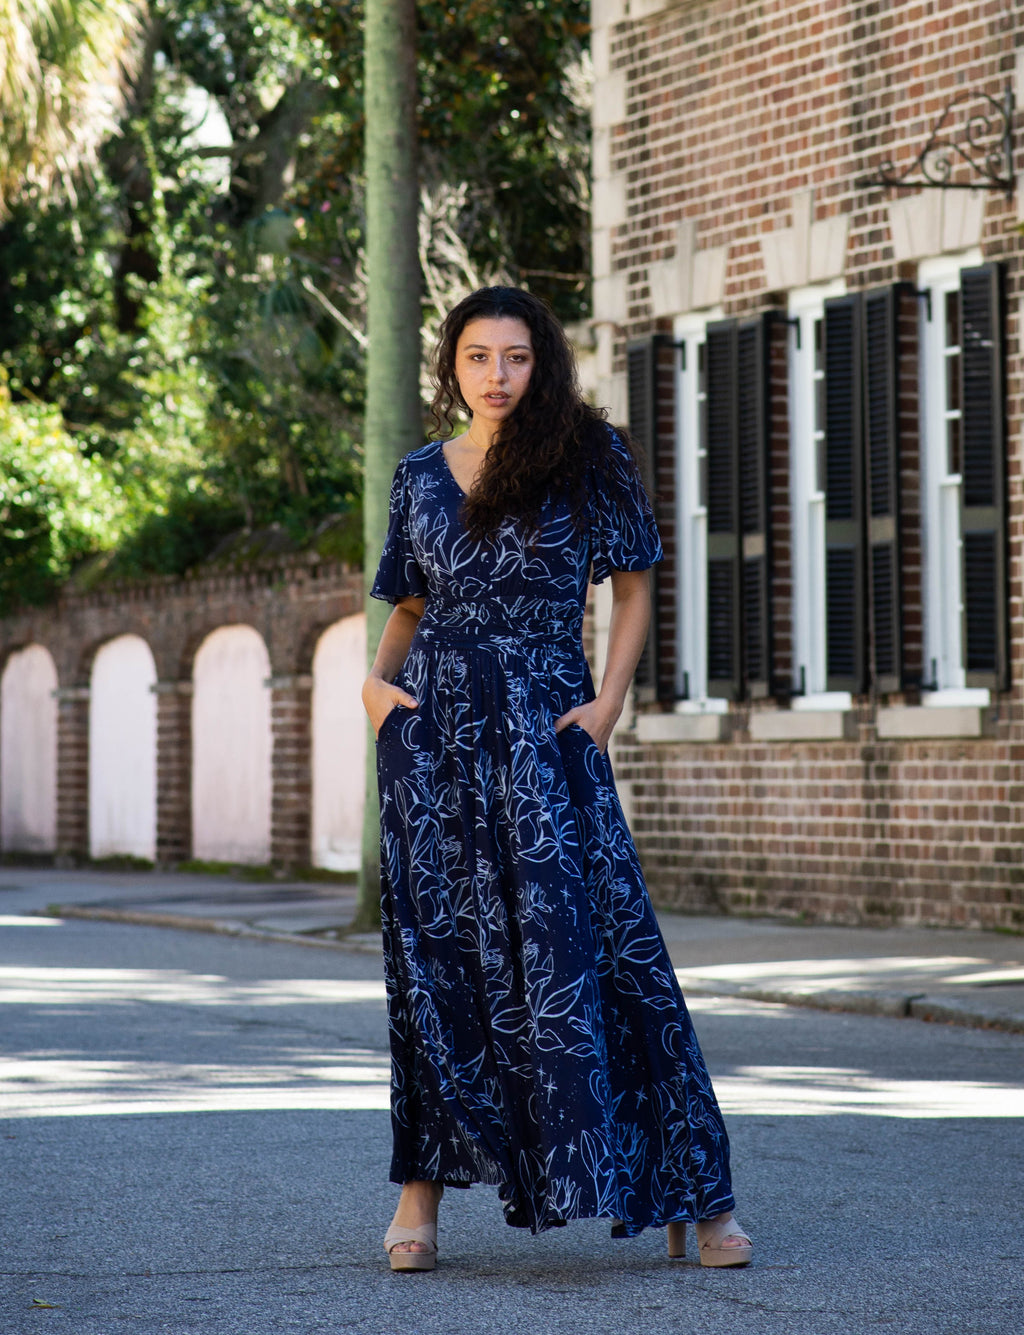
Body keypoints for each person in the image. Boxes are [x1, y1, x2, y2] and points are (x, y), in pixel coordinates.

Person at [362, 286, 752, 1273]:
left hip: (549, 726)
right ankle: (419, 1198)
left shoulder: (588, 455)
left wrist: (609, 702)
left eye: (517, 356)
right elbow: (408, 605)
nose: (496, 375)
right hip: (435, 738)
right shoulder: (417, 476)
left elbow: (634, 585)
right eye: (477, 357)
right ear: (451, 365)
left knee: (607, 944)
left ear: (544, 363)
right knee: (440, 957)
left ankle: (698, 1195)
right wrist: (374, 687)